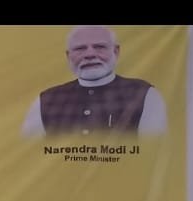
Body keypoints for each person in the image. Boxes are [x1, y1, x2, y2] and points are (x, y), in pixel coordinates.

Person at [21, 25, 167, 138]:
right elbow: (32, 155)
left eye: (99, 47)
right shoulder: (45, 100)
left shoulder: (145, 95)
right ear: (68, 56)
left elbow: (151, 152)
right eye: (80, 49)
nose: (90, 54)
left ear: (116, 52)